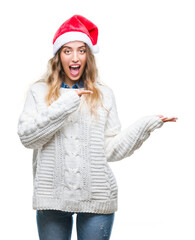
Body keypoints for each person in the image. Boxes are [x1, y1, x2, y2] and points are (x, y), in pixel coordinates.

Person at [17, 15, 178, 240]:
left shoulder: (104, 94)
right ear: (58, 56)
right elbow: (28, 139)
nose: (75, 57)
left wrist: (146, 125)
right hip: (51, 197)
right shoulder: (39, 92)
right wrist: (67, 102)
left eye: (82, 50)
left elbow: (110, 150)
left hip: (98, 196)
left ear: (88, 56)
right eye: (67, 51)